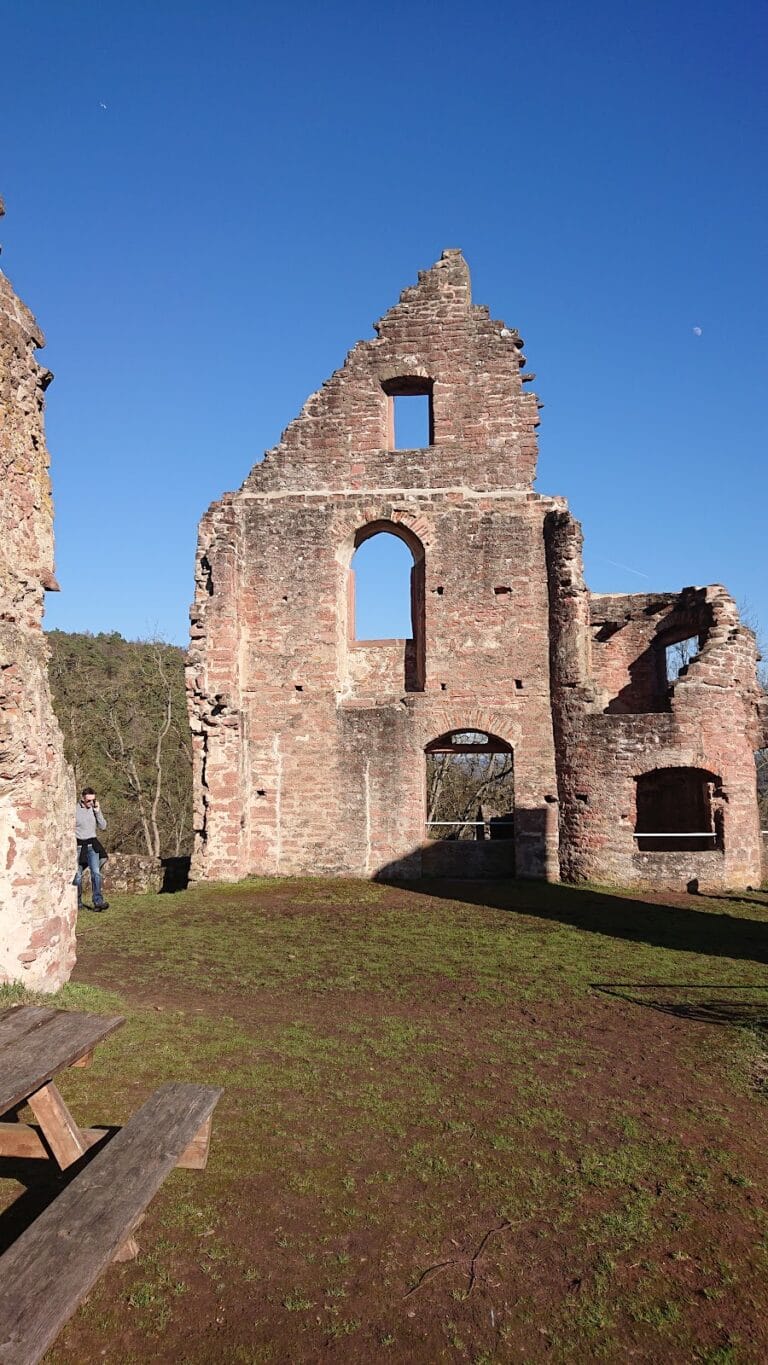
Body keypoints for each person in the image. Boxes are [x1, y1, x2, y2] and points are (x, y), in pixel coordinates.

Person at [74, 787, 110, 911]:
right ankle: (77, 903)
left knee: (96, 873)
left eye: (93, 800)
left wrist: (98, 811)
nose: (91, 803)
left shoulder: (94, 809)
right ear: (82, 798)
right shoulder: (74, 810)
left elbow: (103, 826)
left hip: (92, 845)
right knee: (77, 876)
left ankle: (98, 901)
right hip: (78, 846)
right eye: (88, 801)